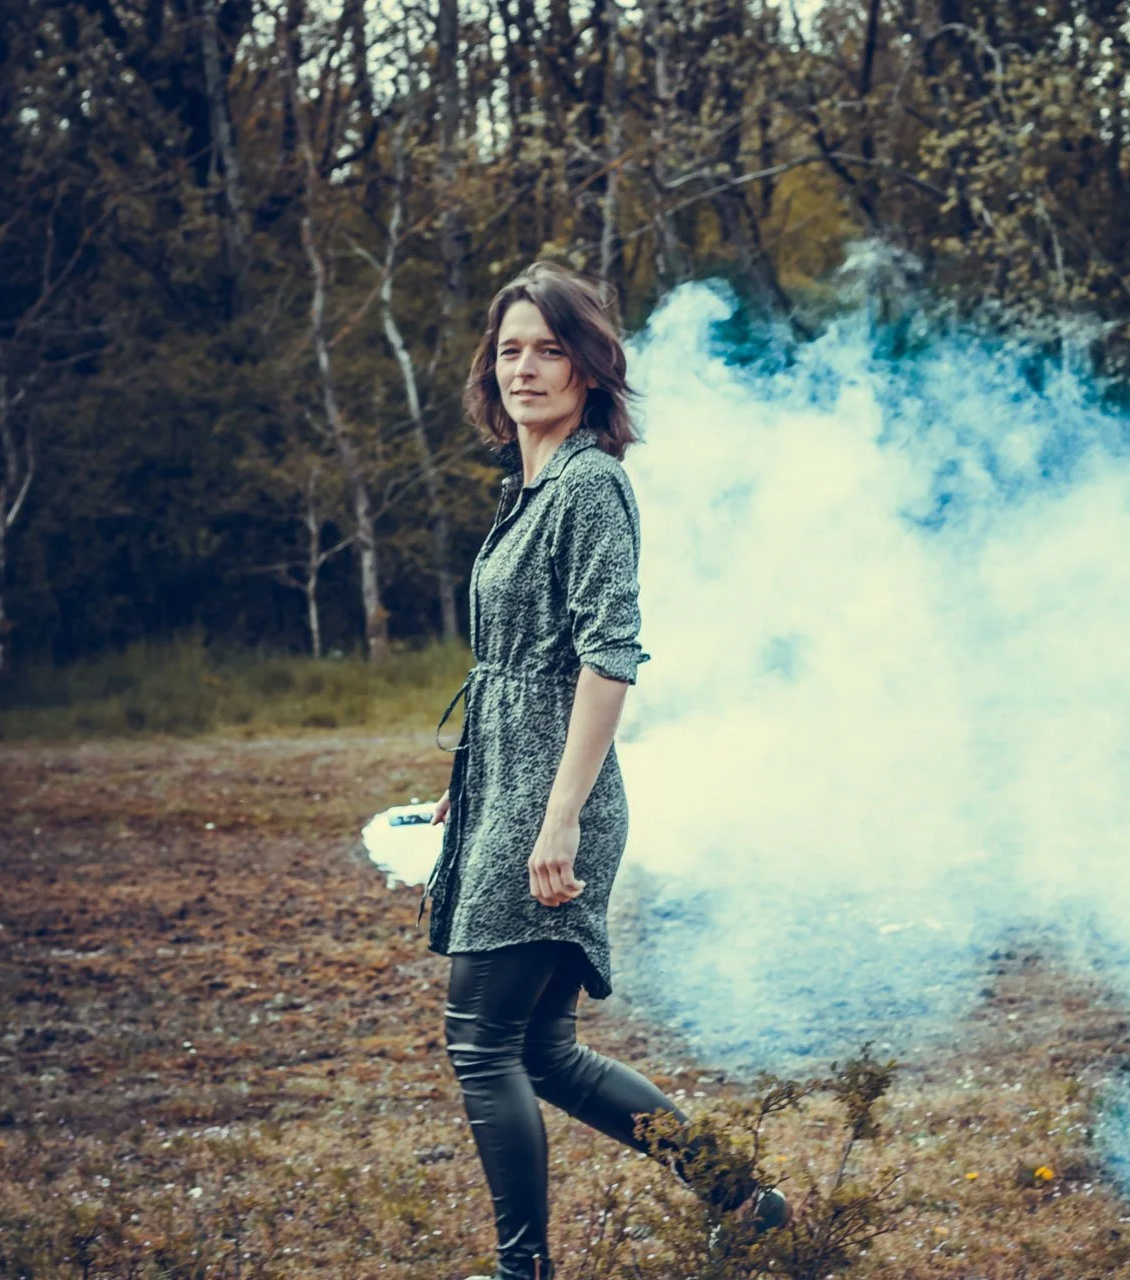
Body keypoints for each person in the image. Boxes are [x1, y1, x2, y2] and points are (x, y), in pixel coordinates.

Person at [417, 261, 787, 1280]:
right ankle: (746, 1199)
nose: (525, 369)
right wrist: (475, 783)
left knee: (481, 1043)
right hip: (512, 790)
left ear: (588, 367)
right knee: (543, 1052)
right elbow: (514, 669)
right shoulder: (531, 489)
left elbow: (608, 658)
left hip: (553, 804)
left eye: (549, 349)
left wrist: (557, 817)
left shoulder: (590, 485)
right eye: (510, 351)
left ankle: (522, 1271)